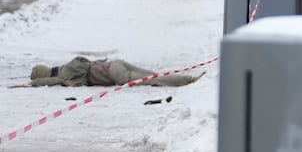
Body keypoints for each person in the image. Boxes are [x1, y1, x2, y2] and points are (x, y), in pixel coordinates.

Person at [28, 56, 204, 87]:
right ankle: (184, 78)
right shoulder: (71, 64)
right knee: (152, 74)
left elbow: (52, 82)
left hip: (113, 74)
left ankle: (188, 80)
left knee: (150, 80)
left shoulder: (65, 75)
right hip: (115, 64)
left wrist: (34, 82)